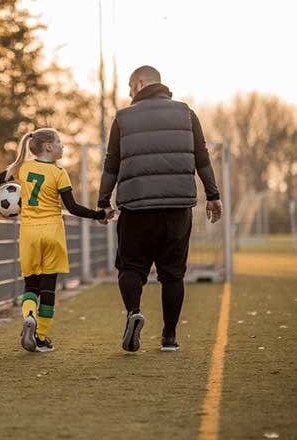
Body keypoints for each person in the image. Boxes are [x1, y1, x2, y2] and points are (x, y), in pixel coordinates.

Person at [96, 65, 223, 353]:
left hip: (136, 207)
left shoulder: (123, 118)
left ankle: (133, 313)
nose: (129, 95)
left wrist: (103, 202)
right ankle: (169, 337)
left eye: (130, 88)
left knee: (131, 267)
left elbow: (111, 164)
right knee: (173, 274)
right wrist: (213, 195)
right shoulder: (186, 113)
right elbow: (202, 158)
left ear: (140, 83)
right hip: (177, 208)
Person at [0, 128, 106, 352]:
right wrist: (98, 215)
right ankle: (41, 336)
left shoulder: (22, 167)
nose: (63, 146)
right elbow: (72, 207)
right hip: (52, 232)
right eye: (59, 142)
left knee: (31, 284)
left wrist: (1, 209)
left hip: (29, 233)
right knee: (49, 288)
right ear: (49, 147)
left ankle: (29, 316)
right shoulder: (59, 172)